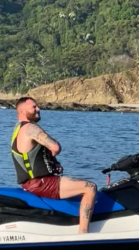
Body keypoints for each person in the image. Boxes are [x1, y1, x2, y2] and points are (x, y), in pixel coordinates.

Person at [11, 97, 97, 234]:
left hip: (31, 183)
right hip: (42, 183)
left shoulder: (17, 129)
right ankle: (83, 233)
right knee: (90, 188)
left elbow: (32, 154)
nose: (38, 109)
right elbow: (55, 147)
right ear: (22, 111)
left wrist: (53, 162)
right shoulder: (31, 128)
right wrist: (54, 150)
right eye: (34, 107)